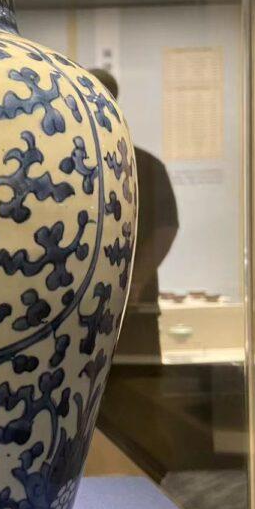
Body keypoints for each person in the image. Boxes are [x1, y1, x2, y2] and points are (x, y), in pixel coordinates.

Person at [89, 69, 179, 360]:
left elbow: (166, 227)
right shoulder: (144, 162)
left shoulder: (145, 164)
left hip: (133, 306)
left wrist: (136, 281)